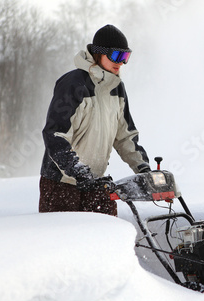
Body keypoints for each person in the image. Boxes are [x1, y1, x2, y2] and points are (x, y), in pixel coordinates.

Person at [39, 24, 150, 216]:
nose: (121, 63)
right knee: (65, 242)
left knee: (105, 236)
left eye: (125, 57)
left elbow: (125, 136)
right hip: (62, 184)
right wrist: (77, 171)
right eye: (116, 56)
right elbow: (55, 135)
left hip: (94, 182)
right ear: (99, 54)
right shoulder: (73, 84)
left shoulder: (117, 88)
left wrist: (144, 169)